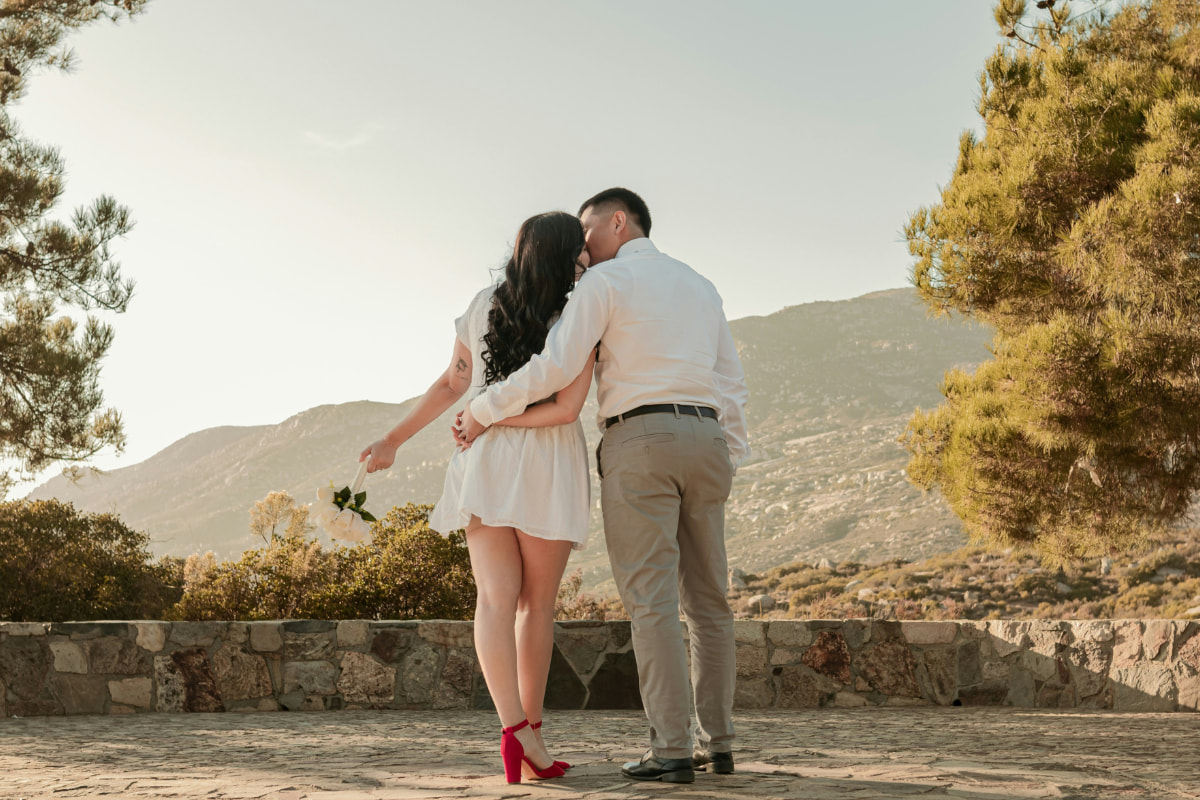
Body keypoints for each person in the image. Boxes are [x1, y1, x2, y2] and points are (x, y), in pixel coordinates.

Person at [457, 187, 750, 783]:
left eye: (589, 231)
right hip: (707, 438)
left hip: (640, 439)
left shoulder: (604, 284)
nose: (584, 247)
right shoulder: (701, 285)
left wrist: (486, 409)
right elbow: (729, 380)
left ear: (619, 222)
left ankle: (671, 750)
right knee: (711, 603)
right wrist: (728, 452)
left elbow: (556, 367)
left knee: (653, 602)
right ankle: (717, 745)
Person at [360, 211, 594, 785]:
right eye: (580, 253)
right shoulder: (580, 311)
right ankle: (529, 733)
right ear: (564, 256)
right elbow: (566, 407)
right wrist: (490, 423)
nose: (586, 261)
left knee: (493, 600)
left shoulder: (483, 302)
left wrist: (394, 439)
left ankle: (516, 731)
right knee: (535, 606)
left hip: (483, 458)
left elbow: (452, 383)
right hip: (544, 456)